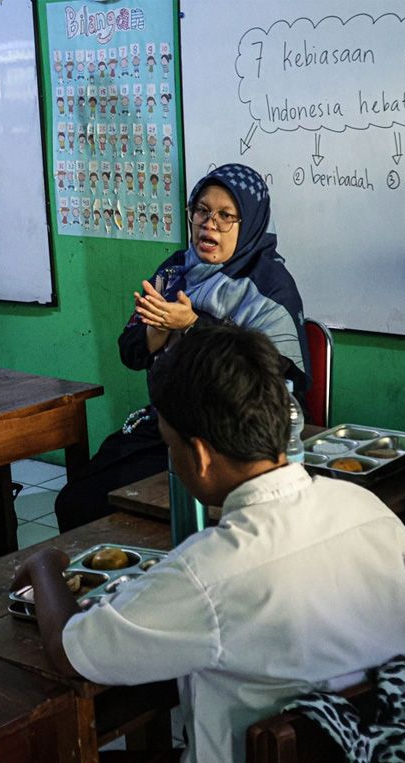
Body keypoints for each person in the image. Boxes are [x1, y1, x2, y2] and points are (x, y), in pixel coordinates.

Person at [16, 325, 405, 763]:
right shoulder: (369, 513)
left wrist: (46, 565)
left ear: (201, 456)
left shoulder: (209, 571)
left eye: (170, 447)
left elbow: (72, 653)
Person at [55, 163, 309, 532]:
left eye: (226, 216)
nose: (209, 224)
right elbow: (130, 352)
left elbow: (268, 373)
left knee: (128, 514)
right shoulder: (175, 271)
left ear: (250, 223)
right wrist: (155, 334)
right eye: (202, 211)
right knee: (76, 500)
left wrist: (191, 326)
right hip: (169, 422)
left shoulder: (271, 287)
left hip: (234, 434)